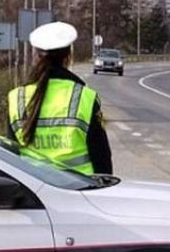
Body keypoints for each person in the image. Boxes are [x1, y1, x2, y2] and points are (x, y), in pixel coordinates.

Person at [7, 21, 112, 175]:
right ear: (68, 56)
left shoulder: (16, 98)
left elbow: (10, 157)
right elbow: (102, 158)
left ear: (36, 56)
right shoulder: (85, 97)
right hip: (80, 191)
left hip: (32, 192)